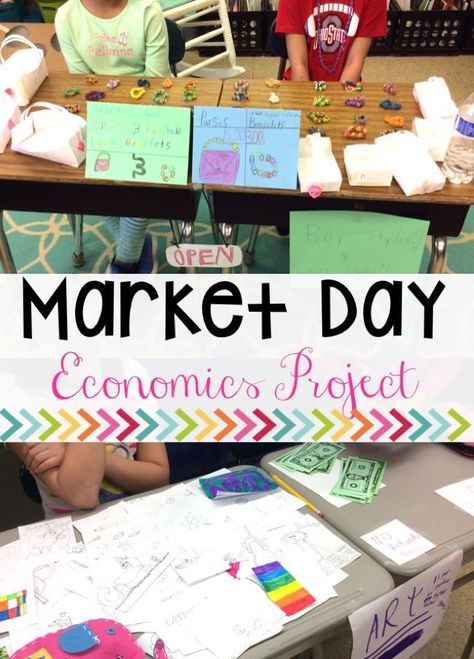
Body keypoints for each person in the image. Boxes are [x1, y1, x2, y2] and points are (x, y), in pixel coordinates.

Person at [55, 0, 171, 273]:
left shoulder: (147, 11)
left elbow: (154, 81)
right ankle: (133, 248)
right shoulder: (67, 16)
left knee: (145, 171)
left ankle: (126, 258)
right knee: (82, 170)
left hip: (150, 113)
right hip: (99, 113)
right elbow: (85, 84)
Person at [10, 442, 169, 518]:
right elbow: (82, 496)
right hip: (73, 534)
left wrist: (69, 453)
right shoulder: (19, 401)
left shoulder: (134, 383)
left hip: (136, 519)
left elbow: (159, 479)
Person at [275, 0, 387, 83]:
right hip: (301, 84)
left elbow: (354, 63)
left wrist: (340, 105)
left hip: (347, 85)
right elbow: (299, 65)